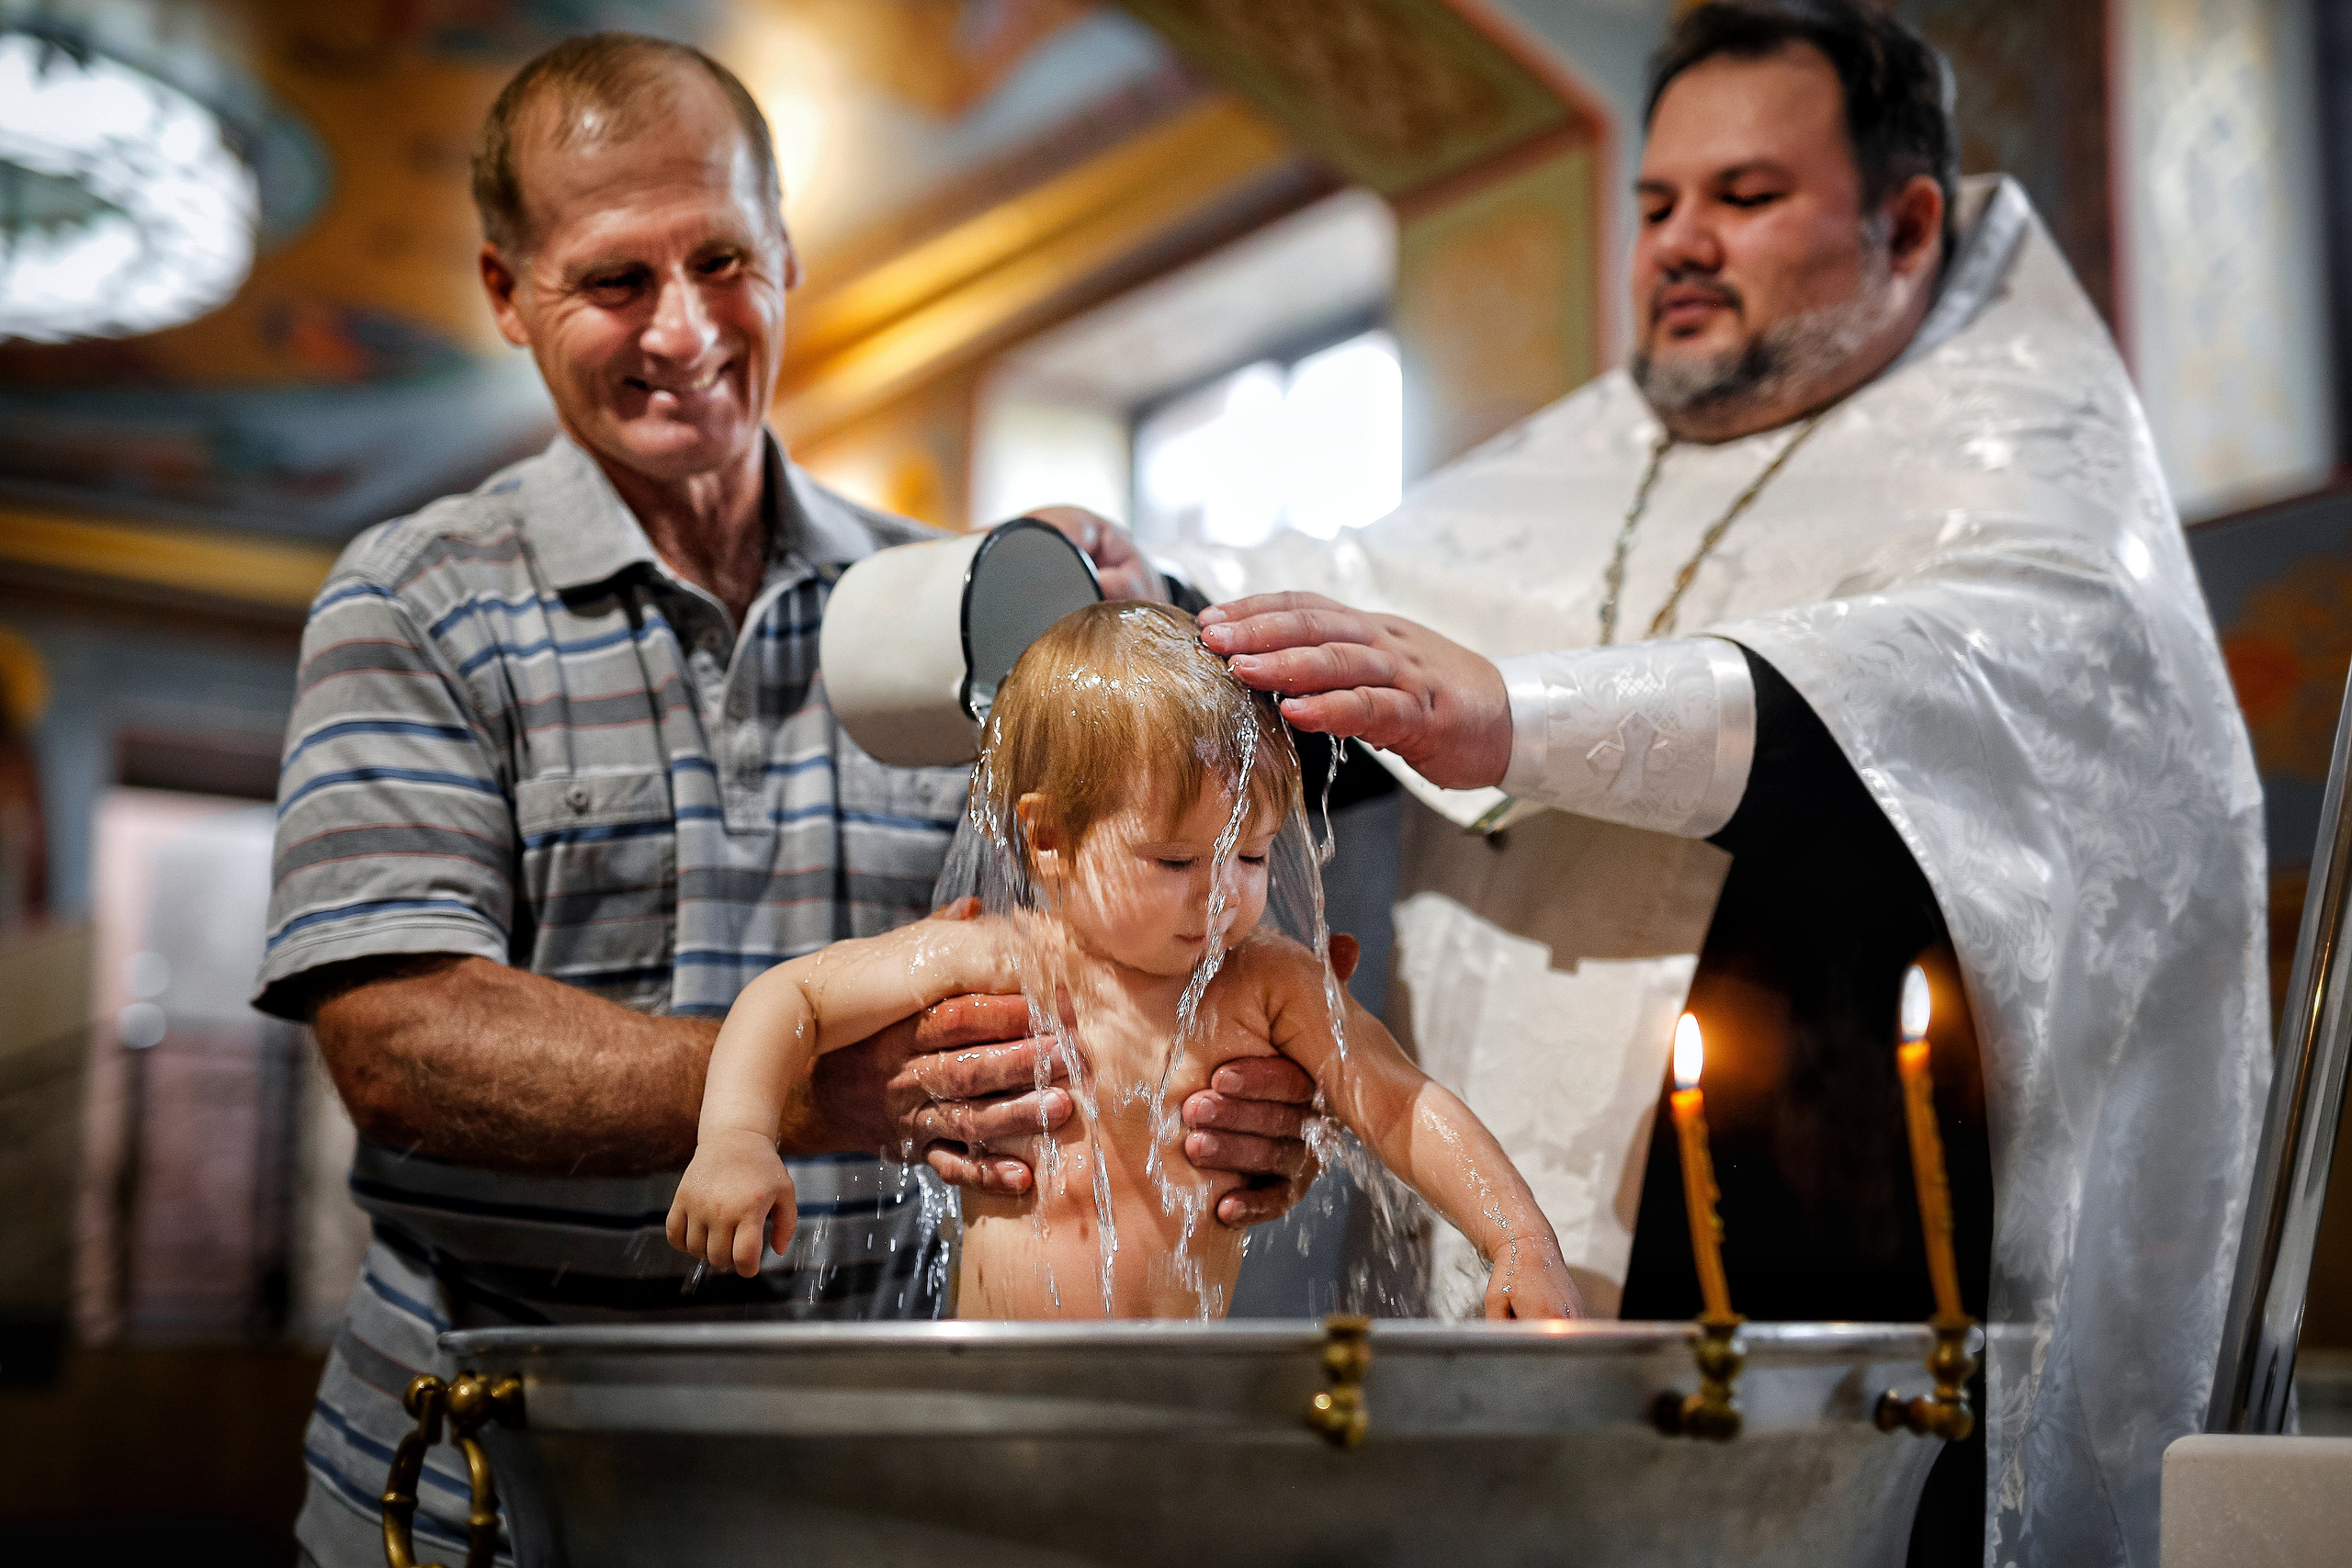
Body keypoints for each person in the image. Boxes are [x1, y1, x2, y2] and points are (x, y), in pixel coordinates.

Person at [1058, 4, 2267, 1565]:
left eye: (1746, 197)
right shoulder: (1577, 455)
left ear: (1907, 223)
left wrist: (1516, 713)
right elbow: (1337, 629)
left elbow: (1942, 716)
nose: (1682, 242)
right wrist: (1154, 598)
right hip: (1527, 1261)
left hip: (1841, 1231)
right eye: (1655, 204)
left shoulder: (2024, 458)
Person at [251, 35, 1315, 1566]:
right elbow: (400, 1043)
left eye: (724, 260)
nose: (685, 330)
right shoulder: (412, 601)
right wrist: (809, 1093)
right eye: (616, 281)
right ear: (505, 291)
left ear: (789, 255)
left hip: (875, 1479)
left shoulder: (963, 608)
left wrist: (1240, 1101)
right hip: (494, 1484)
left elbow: (1136, 949)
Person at [668, 603, 1578, 1321]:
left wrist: (1519, 1238)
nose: (1220, 893)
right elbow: (791, 997)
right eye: (1176, 861)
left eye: (1253, 855)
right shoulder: (990, 956)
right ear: (1049, 838)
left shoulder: (1265, 984)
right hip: (990, 1387)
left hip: (1171, 1394)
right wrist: (737, 1138)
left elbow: (1402, 1103)